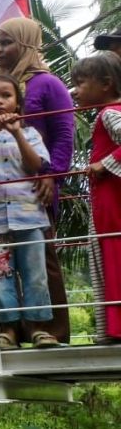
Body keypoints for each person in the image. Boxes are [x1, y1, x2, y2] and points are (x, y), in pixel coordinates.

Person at [0, 17, 75, 345]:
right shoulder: (0, 86)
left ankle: (51, 332)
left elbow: (64, 134)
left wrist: (52, 175)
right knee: (3, 262)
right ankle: (12, 331)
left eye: (6, 43)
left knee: (42, 259)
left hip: (37, 185)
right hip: (0, 189)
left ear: (26, 43)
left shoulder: (48, 84)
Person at [0, 74, 55, 349]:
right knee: (1, 277)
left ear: (17, 103)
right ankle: (8, 330)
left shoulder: (31, 134)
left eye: (6, 96)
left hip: (29, 217)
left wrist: (17, 133)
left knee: (35, 274)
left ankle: (38, 328)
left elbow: (35, 165)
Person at [69, 54, 121, 343]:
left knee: (113, 258)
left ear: (106, 84)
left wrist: (105, 163)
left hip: (112, 209)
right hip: (108, 205)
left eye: (80, 83)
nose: (75, 91)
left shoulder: (110, 113)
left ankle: (116, 328)